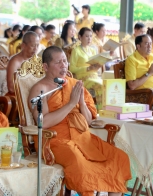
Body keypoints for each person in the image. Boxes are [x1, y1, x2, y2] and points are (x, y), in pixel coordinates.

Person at [28, 46, 131, 196]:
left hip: (82, 137)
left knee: (119, 157)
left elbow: (88, 120)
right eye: (58, 62)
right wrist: (71, 104)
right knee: (81, 164)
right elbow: (43, 122)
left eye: (65, 61)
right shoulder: (41, 89)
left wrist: (81, 102)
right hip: (55, 140)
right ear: (45, 66)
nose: (64, 65)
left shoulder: (74, 84)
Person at [69, 27, 102, 109]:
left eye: (91, 36)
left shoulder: (93, 50)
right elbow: (71, 68)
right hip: (82, 78)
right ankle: (98, 110)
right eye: (87, 36)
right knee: (100, 85)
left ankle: (103, 108)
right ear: (80, 37)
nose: (89, 38)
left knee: (106, 84)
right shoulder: (76, 51)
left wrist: (97, 66)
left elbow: (95, 67)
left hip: (93, 76)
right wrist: (86, 69)